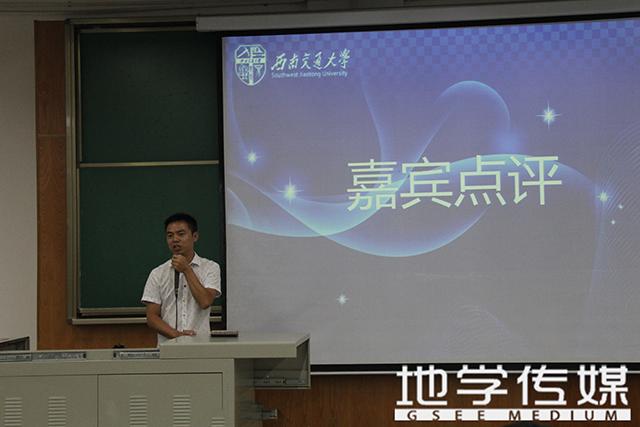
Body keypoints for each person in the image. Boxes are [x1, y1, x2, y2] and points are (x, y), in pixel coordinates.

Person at [141, 213, 221, 343]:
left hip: (201, 345)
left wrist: (187, 270)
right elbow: (152, 317)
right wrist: (177, 335)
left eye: (181, 234)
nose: (175, 239)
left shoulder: (211, 267)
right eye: (170, 235)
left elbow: (205, 301)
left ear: (195, 236)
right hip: (168, 346)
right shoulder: (157, 273)